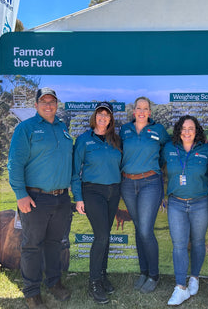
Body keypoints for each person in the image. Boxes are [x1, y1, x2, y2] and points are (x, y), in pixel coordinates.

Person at [8, 87, 73, 309]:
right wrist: (21, 195)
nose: (48, 105)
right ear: (36, 105)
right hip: (35, 198)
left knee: (55, 244)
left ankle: (54, 283)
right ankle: (32, 293)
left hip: (62, 199)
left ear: (57, 104)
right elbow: (14, 163)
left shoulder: (63, 128)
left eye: (52, 101)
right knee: (32, 246)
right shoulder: (26, 128)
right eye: (43, 101)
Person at [72, 102, 122, 304]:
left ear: (111, 119)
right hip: (92, 191)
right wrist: (78, 197)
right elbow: (75, 172)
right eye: (100, 114)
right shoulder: (84, 140)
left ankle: (102, 276)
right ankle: (94, 283)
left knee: (106, 236)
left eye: (107, 114)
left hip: (114, 191)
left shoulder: (116, 140)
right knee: (101, 236)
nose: (103, 117)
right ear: (95, 117)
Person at [120, 96, 170, 294]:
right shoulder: (125, 130)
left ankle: (154, 275)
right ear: (134, 111)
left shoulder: (158, 130)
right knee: (139, 229)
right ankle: (143, 271)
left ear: (150, 112)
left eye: (145, 108)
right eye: (138, 108)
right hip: (128, 183)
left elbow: (168, 148)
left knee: (145, 230)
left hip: (150, 183)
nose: (142, 111)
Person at [162, 115, 208, 306]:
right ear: (178, 131)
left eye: (191, 128)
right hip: (176, 204)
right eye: (184, 128)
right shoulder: (169, 149)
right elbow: (156, 169)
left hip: (200, 203)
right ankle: (181, 287)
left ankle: (194, 277)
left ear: (197, 130)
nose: (187, 131)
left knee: (198, 241)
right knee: (179, 244)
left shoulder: (207, 149)